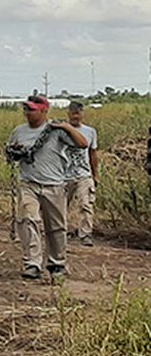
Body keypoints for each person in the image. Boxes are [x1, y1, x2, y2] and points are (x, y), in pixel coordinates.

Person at [5, 95, 88, 281]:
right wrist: (14, 151)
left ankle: (56, 264)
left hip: (54, 184)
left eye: (31, 109)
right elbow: (11, 151)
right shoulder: (19, 131)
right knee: (28, 219)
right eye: (26, 109)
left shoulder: (56, 131)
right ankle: (32, 264)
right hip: (29, 183)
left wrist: (66, 127)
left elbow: (83, 144)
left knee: (56, 227)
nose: (27, 113)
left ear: (44, 110)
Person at [63, 101, 99, 248]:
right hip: (63, 174)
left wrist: (95, 174)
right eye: (72, 113)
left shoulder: (90, 132)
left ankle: (85, 234)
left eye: (78, 113)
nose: (75, 116)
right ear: (68, 114)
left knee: (86, 204)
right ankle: (60, 233)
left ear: (82, 114)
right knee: (60, 206)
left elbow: (93, 154)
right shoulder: (60, 130)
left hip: (84, 174)